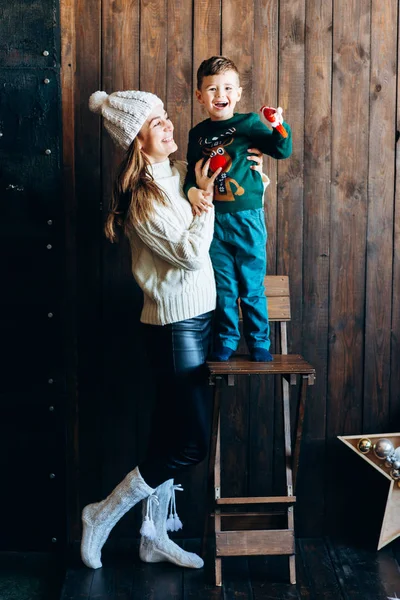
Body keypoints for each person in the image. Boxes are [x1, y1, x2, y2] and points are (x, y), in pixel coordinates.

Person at [80, 89, 265, 571]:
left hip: (200, 320)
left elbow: (222, 200)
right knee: (191, 444)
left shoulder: (179, 176)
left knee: (167, 437)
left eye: (165, 117)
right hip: (174, 328)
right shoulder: (143, 198)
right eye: (155, 122)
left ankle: (153, 536)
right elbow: (187, 254)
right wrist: (203, 206)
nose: (167, 125)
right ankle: (102, 514)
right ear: (138, 142)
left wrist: (248, 178)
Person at [183, 56, 292, 363]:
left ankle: (259, 341)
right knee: (225, 287)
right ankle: (227, 340)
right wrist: (192, 191)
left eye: (228, 88)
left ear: (239, 93)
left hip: (248, 218)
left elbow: (282, 150)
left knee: (252, 286)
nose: (221, 95)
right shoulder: (197, 134)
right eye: (212, 89)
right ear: (200, 96)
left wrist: (277, 125)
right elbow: (191, 174)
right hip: (214, 221)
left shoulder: (248, 125)